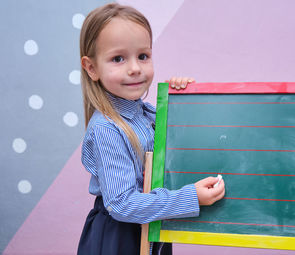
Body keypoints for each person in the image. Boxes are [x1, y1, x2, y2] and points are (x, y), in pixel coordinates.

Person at [77, 3, 225, 255]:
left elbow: (184, 142)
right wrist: (190, 198)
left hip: (154, 227)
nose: (135, 68)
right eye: (118, 58)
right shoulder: (107, 129)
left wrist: (183, 99)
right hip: (119, 238)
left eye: (143, 56)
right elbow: (122, 204)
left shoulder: (147, 114)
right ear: (91, 68)